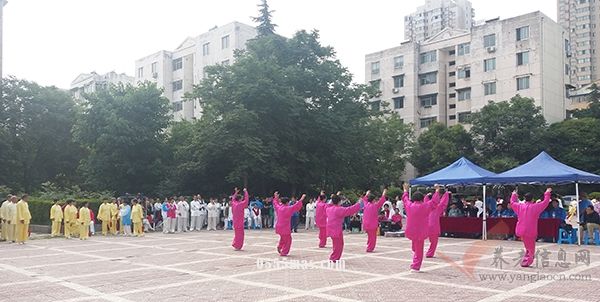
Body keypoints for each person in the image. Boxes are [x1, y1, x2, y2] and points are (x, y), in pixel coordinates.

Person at [510, 187, 552, 267]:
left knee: (527, 245)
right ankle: (527, 261)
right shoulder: (535, 207)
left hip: (520, 229)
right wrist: (547, 193)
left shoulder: (520, 206)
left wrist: (514, 195)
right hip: (530, 230)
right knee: (531, 248)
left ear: (525, 199)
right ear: (532, 199)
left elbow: (512, 202)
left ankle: (526, 258)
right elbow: (545, 202)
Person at [402, 183, 436, 272]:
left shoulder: (409, 205)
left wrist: (405, 190)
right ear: (422, 198)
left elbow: (405, 199)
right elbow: (434, 202)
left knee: (415, 247)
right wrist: (436, 191)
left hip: (411, 230)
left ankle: (415, 261)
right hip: (421, 231)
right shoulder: (425, 206)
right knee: (418, 249)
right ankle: (416, 266)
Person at [326, 193, 362, 261]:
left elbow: (329, 204)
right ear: (339, 201)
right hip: (336, 229)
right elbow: (349, 210)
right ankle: (334, 258)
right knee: (339, 245)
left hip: (331, 228)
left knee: (336, 244)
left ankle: (334, 257)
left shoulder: (328, 209)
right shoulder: (339, 209)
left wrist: (334, 197)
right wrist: (358, 203)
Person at [273, 192, 305, 256]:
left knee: (283, 238)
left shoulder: (279, 207)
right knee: (288, 240)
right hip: (285, 227)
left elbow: (275, 203)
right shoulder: (288, 208)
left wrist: (276, 197)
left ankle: (280, 246)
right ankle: (284, 252)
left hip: (279, 226)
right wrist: (301, 199)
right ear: (287, 202)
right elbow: (296, 206)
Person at [427, 187, 450, 258]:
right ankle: (429, 253)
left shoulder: (426, 206)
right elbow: (443, 202)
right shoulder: (437, 208)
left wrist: (427, 196)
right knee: (433, 242)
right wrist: (446, 194)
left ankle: (417, 251)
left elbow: (426, 201)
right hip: (434, 227)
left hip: (425, 226)